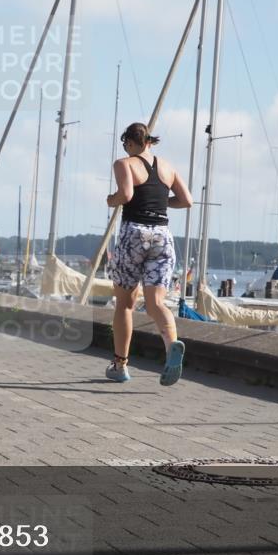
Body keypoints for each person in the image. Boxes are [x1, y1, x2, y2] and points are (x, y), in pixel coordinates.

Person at [105, 122, 193, 385]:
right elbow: (187, 200)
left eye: (126, 145)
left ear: (131, 143)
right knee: (156, 303)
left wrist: (112, 199)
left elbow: (127, 194)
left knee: (125, 304)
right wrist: (161, 201)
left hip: (135, 233)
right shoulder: (167, 167)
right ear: (150, 142)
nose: (125, 149)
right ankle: (171, 347)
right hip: (163, 236)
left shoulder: (125, 163)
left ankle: (120, 366)